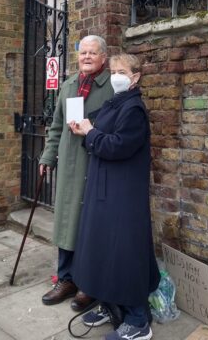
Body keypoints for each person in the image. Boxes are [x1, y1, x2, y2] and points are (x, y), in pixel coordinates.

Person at [69, 53, 160, 340]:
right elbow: (100, 138)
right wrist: (85, 131)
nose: (116, 76)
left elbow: (119, 146)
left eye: (122, 71)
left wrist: (91, 133)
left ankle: (137, 322)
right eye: (114, 71)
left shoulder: (133, 109)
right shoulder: (115, 102)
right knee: (103, 250)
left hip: (123, 195)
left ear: (136, 77)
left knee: (123, 253)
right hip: (105, 189)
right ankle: (112, 307)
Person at [39, 35, 114, 311]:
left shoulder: (111, 88)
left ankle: (88, 284)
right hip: (71, 166)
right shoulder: (69, 85)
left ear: (103, 57)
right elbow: (57, 126)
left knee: (90, 226)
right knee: (68, 223)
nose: (87, 57)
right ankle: (66, 279)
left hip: (97, 165)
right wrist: (48, 157)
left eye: (93, 53)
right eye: (83, 52)